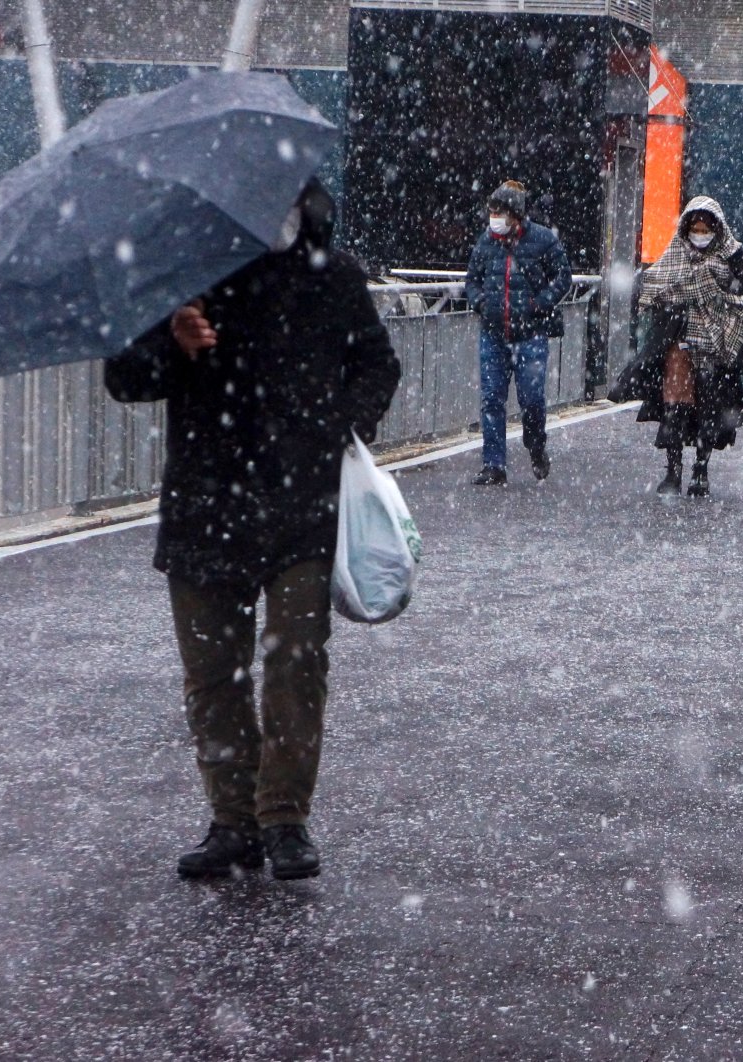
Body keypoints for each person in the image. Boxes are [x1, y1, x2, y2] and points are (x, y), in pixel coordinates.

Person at [104, 179, 401, 881]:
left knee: (296, 659)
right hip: (206, 501)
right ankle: (231, 820)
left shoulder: (332, 273)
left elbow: (378, 364)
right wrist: (173, 343)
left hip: (300, 504)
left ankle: (284, 818)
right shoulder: (187, 274)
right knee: (214, 674)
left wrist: (333, 428)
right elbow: (125, 376)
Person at [617, 196, 743, 498]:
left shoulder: (731, 255)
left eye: (704, 228)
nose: (699, 234)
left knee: (710, 404)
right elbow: (654, 284)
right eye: (694, 228)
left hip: (715, 344)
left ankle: (701, 467)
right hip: (678, 342)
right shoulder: (675, 254)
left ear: (716, 228)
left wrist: (716, 302)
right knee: (675, 404)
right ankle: (673, 469)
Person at [463, 180, 573, 486]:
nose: (494, 218)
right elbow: (472, 279)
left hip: (531, 334)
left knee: (532, 398)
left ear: (516, 214)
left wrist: (541, 303)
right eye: (492, 211)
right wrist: (481, 302)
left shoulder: (542, 240)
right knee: (492, 399)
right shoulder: (487, 242)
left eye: (500, 212)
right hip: (494, 333)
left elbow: (563, 276)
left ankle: (535, 443)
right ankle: (493, 464)